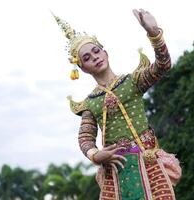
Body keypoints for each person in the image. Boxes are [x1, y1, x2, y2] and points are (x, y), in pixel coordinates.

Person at [54, 8, 182, 200]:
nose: (94, 57)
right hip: (116, 170)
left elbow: (163, 65)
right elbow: (85, 138)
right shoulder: (90, 103)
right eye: (87, 58)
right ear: (81, 68)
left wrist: (154, 34)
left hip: (148, 164)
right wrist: (95, 155)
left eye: (96, 51)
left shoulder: (132, 82)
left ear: (105, 53)